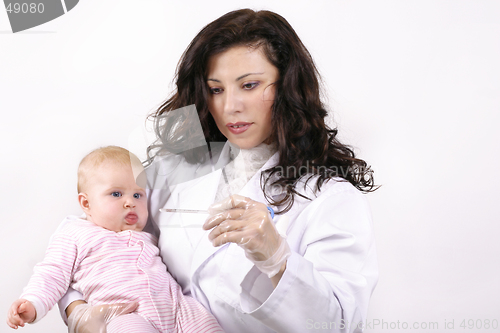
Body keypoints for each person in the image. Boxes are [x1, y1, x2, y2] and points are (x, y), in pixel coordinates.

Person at [62, 9, 378, 333]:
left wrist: (277, 258)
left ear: (288, 86)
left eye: (249, 85)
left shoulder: (331, 200)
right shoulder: (178, 173)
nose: (230, 107)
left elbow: (340, 324)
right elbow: (95, 244)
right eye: (216, 89)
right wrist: (77, 309)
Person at [6, 146, 224, 333]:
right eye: (116, 194)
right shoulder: (75, 233)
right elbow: (52, 273)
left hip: (177, 307)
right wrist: (33, 304)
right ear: (86, 203)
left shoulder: (147, 234)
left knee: (206, 324)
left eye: (137, 195)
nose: (130, 202)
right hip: (124, 313)